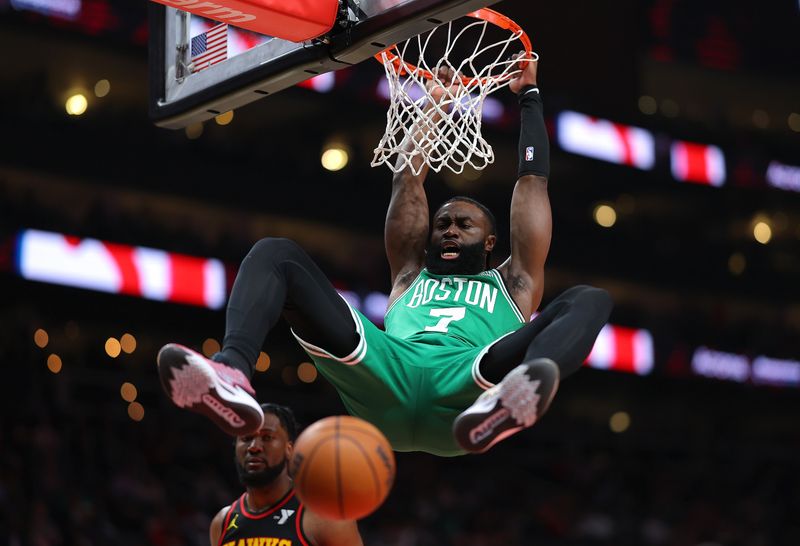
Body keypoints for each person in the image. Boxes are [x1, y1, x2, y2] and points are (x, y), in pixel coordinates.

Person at [157, 54, 612, 456]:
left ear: (491, 242)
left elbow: (532, 181)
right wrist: (436, 104)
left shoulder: (515, 282)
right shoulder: (410, 273)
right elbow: (407, 181)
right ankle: (232, 375)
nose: (449, 229)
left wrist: (529, 95)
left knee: (590, 299)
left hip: (470, 382)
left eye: (463, 224)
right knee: (276, 253)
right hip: (385, 367)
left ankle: (520, 393)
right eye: (443, 223)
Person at [210, 403, 363, 546]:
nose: (254, 447)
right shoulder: (222, 522)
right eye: (246, 438)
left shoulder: (323, 515)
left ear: (289, 449)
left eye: (267, 437)